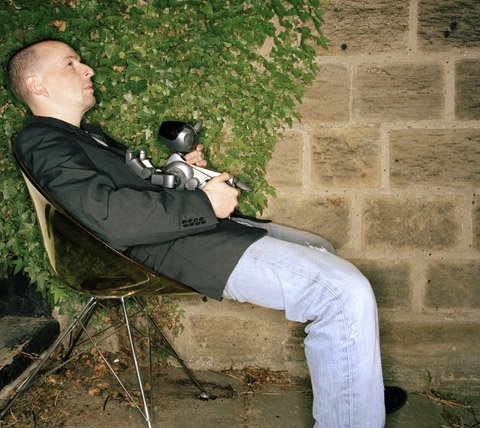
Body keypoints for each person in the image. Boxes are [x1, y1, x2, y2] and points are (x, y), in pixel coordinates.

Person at [7, 39, 405, 427]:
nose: (87, 69)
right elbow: (109, 216)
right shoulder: (41, 139)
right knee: (340, 291)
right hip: (161, 249)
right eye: (71, 63)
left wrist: (181, 170)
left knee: (321, 247)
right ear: (36, 85)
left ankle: (353, 394)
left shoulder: (87, 135)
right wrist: (204, 204)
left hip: (185, 231)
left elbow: (135, 190)